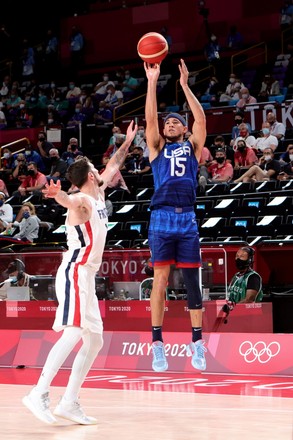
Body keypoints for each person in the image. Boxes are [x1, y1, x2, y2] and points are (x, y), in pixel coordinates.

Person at [22, 120, 137, 425]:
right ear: (90, 175)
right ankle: (39, 392)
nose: (103, 173)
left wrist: (127, 142)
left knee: (95, 340)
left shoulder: (98, 193)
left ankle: (69, 402)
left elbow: (113, 165)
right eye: (97, 172)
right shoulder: (83, 202)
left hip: (86, 276)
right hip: (74, 271)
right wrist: (58, 196)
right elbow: (69, 201)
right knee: (74, 332)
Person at [144, 59, 207, 373]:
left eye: (174, 122)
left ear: (183, 129)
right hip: (161, 218)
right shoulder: (156, 148)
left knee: (193, 283)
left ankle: (197, 342)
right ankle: (157, 345)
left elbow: (201, 118)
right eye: (167, 122)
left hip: (187, 220)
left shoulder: (193, 146)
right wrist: (152, 82)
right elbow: (150, 120)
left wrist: (184, 85)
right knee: (161, 281)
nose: (169, 124)